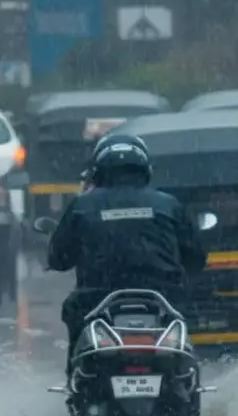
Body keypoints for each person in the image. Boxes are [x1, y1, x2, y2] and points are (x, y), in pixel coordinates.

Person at [46, 133, 206, 372]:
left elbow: (58, 259)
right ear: (145, 169)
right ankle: (185, 377)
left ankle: (77, 378)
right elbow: (196, 258)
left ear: (98, 171)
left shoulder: (82, 205)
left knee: (74, 314)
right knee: (184, 321)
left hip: (95, 297)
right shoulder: (168, 203)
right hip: (163, 295)